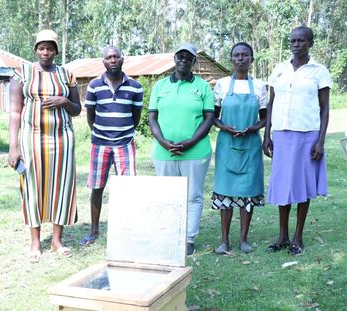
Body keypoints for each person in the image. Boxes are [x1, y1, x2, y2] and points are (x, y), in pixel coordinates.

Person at [8, 30, 81, 263]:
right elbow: (16, 112)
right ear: (35, 49)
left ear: (56, 51)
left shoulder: (66, 75)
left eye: (50, 48)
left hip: (62, 139)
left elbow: (77, 109)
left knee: (62, 186)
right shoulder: (22, 72)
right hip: (32, 139)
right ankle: (35, 242)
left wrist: (65, 101)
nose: (46, 52)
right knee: (32, 187)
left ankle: (57, 240)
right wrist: (13, 146)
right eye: (41, 48)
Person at [263, 26, 332, 255]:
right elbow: (271, 103)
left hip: (307, 134)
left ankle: (297, 237)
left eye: (301, 40)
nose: (296, 44)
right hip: (282, 134)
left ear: (310, 43)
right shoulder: (280, 69)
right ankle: (282, 235)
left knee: (302, 185)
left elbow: (324, 108)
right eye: (292, 40)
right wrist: (267, 135)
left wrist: (320, 141)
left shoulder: (319, 71)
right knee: (283, 185)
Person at [149, 43, 215, 256]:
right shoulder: (160, 86)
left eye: (189, 57)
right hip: (164, 152)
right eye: (180, 56)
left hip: (195, 152)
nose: (184, 59)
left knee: (193, 196)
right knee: (167, 196)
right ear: (174, 59)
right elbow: (152, 117)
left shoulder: (203, 87)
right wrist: (163, 142)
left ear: (194, 61)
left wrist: (190, 142)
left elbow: (209, 118)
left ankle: (188, 238)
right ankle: (169, 235)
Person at [79, 46, 143, 246]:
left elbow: (136, 118)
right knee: (97, 187)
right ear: (103, 62)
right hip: (100, 144)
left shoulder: (135, 87)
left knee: (128, 188)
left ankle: (126, 229)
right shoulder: (94, 86)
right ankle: (94, 230)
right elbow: (90, 116)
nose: (113, 60)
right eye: (109, 57)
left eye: (116, 56)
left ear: (122, 60)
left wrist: (122, 133)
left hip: (125, 144)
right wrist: (101, 133)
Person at [211, 42, 267, 254]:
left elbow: (265, 118)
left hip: (250, 145)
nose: (241, 58)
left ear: (252, 59)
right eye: (237, 55)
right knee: (226, 191)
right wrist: (225, 127)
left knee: (248, 191)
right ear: (231, 59)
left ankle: (243, 239)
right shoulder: (222, 85)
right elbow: (214, 117)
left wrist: (253, 128)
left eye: (245, 55)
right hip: (227, 144)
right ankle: (224, 241)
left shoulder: (260, 86)